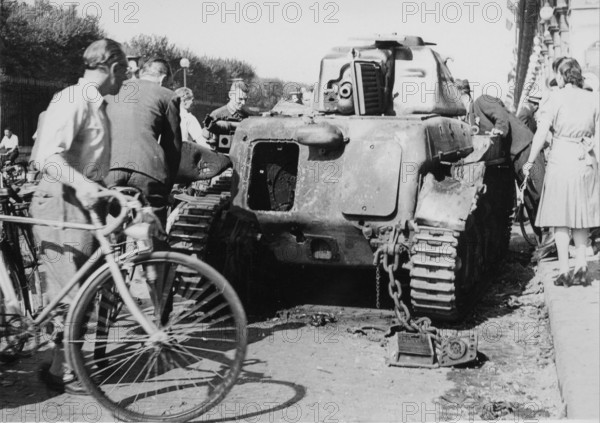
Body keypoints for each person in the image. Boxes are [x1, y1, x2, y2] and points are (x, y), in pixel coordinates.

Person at [30, 38, 129, 394]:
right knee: (72, 292)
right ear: (113, 68)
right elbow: (46, 157)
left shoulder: (96, 104)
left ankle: (59, 369)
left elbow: (86, 161)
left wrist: (104, 189)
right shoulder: (73, 99)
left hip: (81, 199)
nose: (125, 81)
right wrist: (85, 186)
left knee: (81, 289)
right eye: (125, 72)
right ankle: (70, 372)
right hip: (61, 200)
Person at [523, 58, 600, 287]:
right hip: (585, 161)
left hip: (560, 162)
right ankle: (582, 267)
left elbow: (541, 134)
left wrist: (529, 162)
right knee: (581, 217)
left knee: (561, 219)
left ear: (561, 75)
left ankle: (565, 271)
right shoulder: (593, 98)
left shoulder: (554, 98)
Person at [455, 79, 548, 245]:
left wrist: (500, 130)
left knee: (540, 195)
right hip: (514, 156)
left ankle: (555, 240)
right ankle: (544, 242)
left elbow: (501, 115)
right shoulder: (469, 117)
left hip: (525, 148)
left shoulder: (481, 101)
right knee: (529, 201)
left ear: (463, 95)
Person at [105, 57, 182, 226]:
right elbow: (173, 148)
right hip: (147, 171)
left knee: (108, 225)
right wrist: (166, 190)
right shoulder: (168, 96)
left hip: (109, 169)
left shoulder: (113, 91)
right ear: (163, 79)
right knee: (151, 231)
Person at [202, 80, 249, 146]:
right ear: (230, 95)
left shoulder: (248, 117)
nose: (243, 103)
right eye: (240, 99)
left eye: (245, 99)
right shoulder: (216, 115)